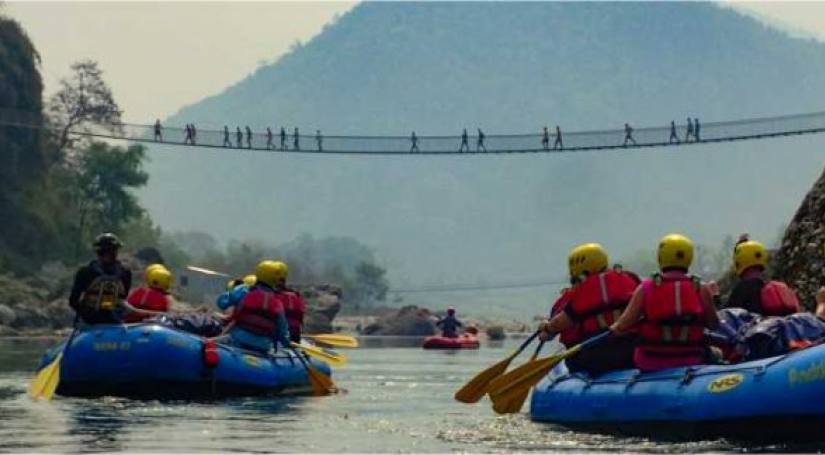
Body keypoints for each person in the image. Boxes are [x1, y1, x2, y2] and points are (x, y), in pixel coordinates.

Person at [610, 234, 719, 371]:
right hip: (692, 360)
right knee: (717, 354)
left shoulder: (646, 287)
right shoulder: (700, 288)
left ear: (661, 257)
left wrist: (613, 329)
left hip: (650, 362)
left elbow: (622, 326)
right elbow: (714, 325)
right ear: (688, 258)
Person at [538, 243, 640, 375]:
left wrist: (547, 328)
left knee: (575, 356)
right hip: (633, 351)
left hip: (596, 356)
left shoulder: (583, 291)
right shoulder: (630, 279)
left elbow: (560, 322)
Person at [710, 235, 800, 317]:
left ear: (739, 261)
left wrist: (715, 297)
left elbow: (725, 317)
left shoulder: (742, 289)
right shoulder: (767, 287)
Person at [221, 261, 291, 354]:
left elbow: (222, 302)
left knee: (214, 341)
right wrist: (287, 343)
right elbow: (283, 331)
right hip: (263, 347)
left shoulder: (245, 292)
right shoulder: (277, 303)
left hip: (238, 341)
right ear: (274, 279)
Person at [68, 233, 133, 324]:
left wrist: (84, 314)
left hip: (94, 320)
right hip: (109, 320)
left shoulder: (85, 271)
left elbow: (73, 301)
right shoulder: (125, 272)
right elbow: (124, 296)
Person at [268, 261, 306, 343]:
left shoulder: (271, 295)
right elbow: (301, 316)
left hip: (279, 335)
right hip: (295, 334)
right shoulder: (296, 295)